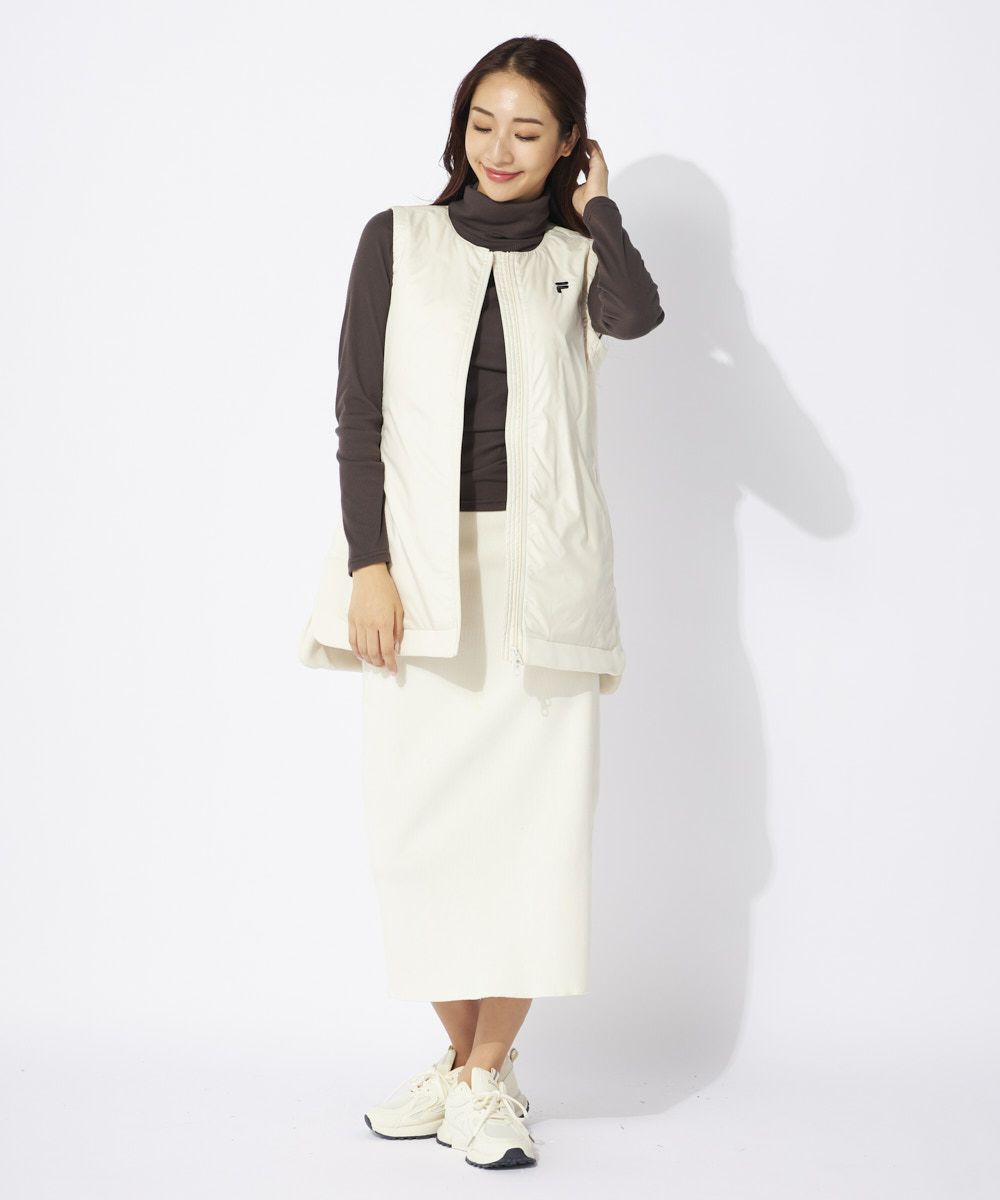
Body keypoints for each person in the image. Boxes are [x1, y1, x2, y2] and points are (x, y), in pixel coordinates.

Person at [301, 37, 664, 1170]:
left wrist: (600, 211)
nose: (500, 149)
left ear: (569, 145)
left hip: (542, 574)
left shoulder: (577, 257)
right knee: (420, 833)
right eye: (483, 123)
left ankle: (484, 1074)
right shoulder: (397, 240)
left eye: (529, 131)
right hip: (417, 569)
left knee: (533, 836)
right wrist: (368, 566)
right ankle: (468, 1071)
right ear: (459, 127)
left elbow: (639, 318)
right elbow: (358, 414)